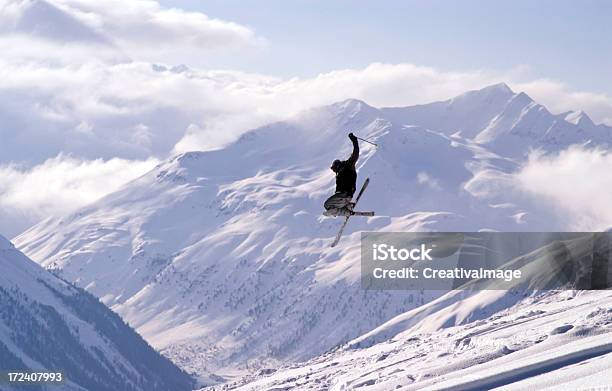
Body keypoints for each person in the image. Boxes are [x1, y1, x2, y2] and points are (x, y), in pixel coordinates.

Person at [324, 132, 359, 216]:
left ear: (337, 165)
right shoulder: (340, 172)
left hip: (344, 194)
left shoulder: (347, 165)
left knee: (327, 205)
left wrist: (354, 141)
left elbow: (355, 154)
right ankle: (348, 206)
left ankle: (345, 211)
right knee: (332, 206)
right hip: (345, 196)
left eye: (333, 168)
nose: (334, 171)